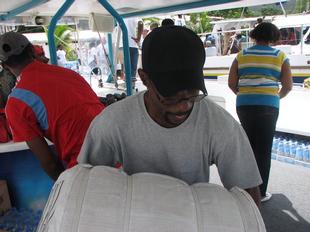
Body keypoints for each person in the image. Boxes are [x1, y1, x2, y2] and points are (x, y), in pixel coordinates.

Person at [78, 26, 262, 206]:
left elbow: (248, 197)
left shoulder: (221, 125)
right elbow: (86, 183)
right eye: (171, 97)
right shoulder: (112, 122)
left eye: (192, 95)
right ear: (144, 79)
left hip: (193, 219)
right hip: (133, 217)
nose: (184, 106)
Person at [0, 32, 105, 181]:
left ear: (4, 65)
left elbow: (49, 163)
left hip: (86, 170)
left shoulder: (16, 102)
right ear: (31, 50)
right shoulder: (70, 74)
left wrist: (64, 187)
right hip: (120, 155)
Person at [228, 22, 293, 202]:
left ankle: (243, 189)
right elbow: (288, 86)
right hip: (269, 105)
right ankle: (261, 192)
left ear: (254, 35)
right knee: (263, 150)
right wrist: (274, 97)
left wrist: (245, 95)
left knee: (246, 147)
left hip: (244, 104)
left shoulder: (241, 55)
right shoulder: (280, 56)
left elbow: (231, 83)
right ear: (273, 37)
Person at [118, 17, 144, 89]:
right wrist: (138, 38)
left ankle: (128, 85)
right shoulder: (135, 15)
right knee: (133, 67)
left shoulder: (120, 14)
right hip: (133, 44)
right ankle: (131, 85)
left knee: (125, 66)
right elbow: (141, 23)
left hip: (122, 44)